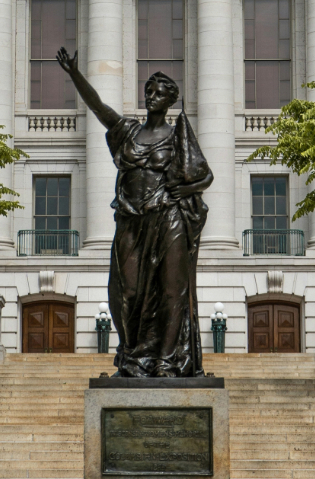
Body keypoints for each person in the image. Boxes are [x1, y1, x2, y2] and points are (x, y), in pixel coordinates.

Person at [56, 47, 213, 377]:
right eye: (149, 90)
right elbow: (100, 108)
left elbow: (205, 176)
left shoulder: (177, 136)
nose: (152, 96)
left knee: (172, 291)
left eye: (159, 93)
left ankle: (167, 360)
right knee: (125, 292)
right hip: (130, 220)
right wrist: (75, 74)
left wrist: (186, 191)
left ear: (170, 101)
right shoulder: (128, 131)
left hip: (168, 216)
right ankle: (133, 356)